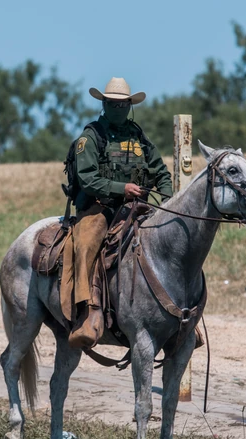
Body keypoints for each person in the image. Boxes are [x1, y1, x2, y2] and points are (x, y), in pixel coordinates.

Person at [63, 77, 173, 349]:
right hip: (99, 207)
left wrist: (169, 200)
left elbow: (160, 171)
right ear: (103, 104)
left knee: (172, 240)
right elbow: (87, 179)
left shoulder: (139, 136)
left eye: (123, 104)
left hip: (137, 208)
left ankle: (178, 315)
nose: (118, 108)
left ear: (129, 105)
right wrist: (121, 188)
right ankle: (86, 314)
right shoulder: (90, 137)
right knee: (86, 243)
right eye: (112, 104)